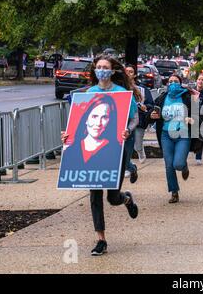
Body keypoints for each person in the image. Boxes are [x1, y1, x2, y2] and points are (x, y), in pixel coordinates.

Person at [61, 54, 139, 256]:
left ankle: (126, 199)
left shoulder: (122, 93)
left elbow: (134, 118)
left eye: (105, 67)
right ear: (95, 70)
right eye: (99, 67)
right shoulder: (89, 93)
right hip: (93, 154)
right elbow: (77, 121)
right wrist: (67, 136)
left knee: (112, 198)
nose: (102, 70)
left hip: (115, 149)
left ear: (112, 70)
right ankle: (101, 240)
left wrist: (128, 130)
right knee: (95, 195)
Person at [148, 74, 198, 204]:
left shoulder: (186, 97)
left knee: (178, 164)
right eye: (170, 81)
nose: (173, 83)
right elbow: (152, 112)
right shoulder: (162, 98)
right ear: (167, 84)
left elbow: (198, 112)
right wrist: (152, 115)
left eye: (176, 81)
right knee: (169, 165)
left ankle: (184, 166)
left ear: (180, 83)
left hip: (183, 134)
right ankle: (174, 191)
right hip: (165, 135)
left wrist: (192, 119)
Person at [125, 64, 154, 165]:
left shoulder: (142, 89)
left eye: (131, 72)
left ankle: (140, 152)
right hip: (124, 120)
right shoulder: (119, 88)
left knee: (137, 144)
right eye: (126, 71)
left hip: (139, 119)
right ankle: (128, 165)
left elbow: (150, 104)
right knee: (126, 144)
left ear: (134, 75)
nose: (128, 73)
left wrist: (146, 107)